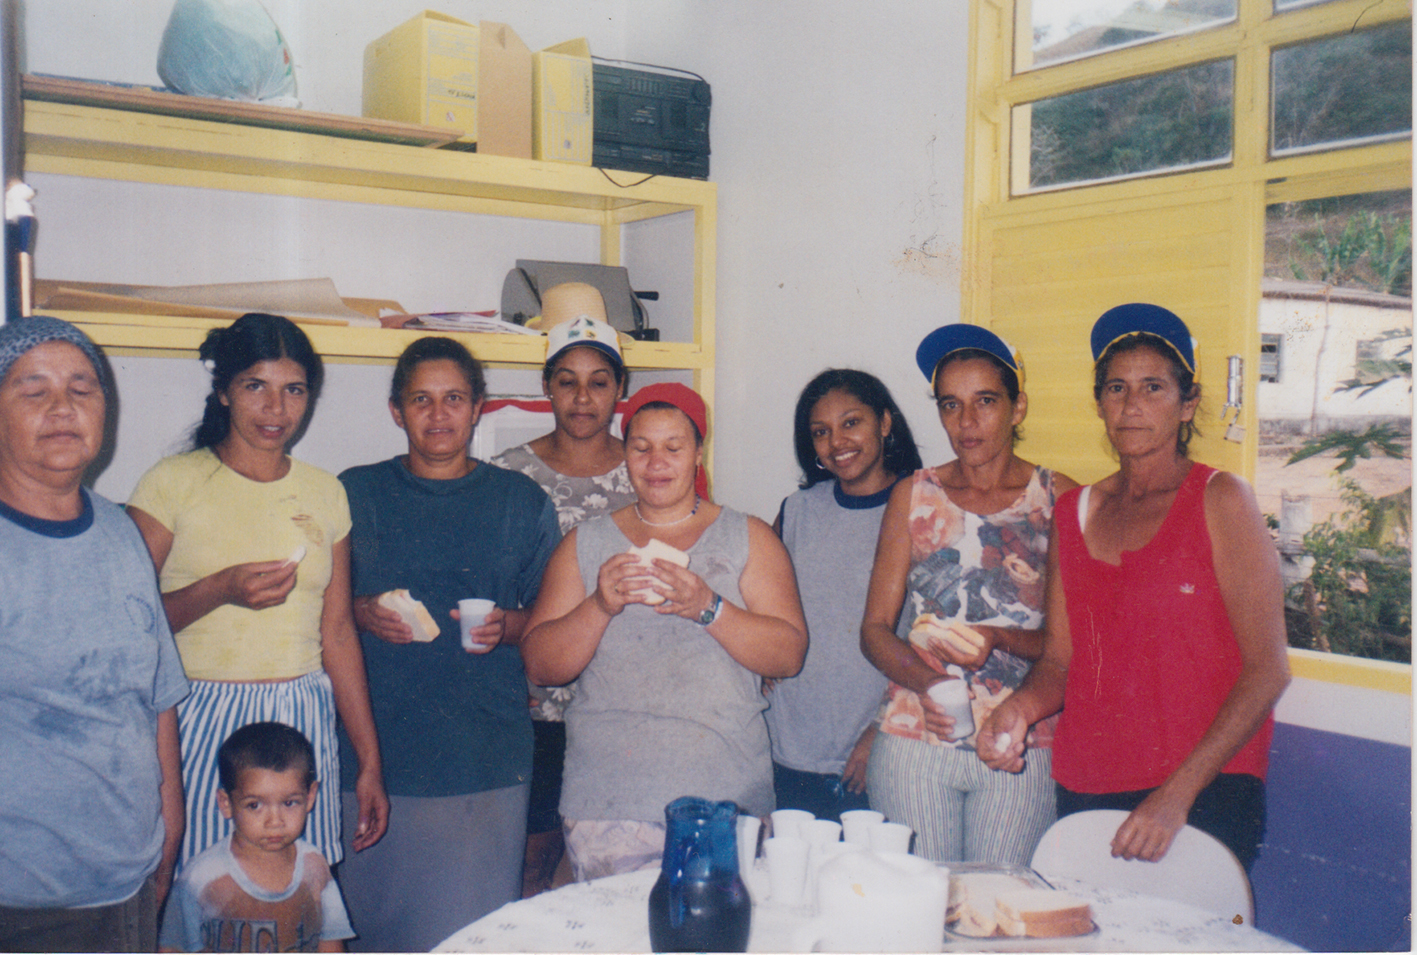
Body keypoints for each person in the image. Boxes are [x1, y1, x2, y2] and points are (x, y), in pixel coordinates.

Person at [978, 303, 1290, 872]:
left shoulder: (1221, 500)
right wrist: (1017, 709)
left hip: (1203, 793)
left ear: (1187, 403)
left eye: (1153, 387)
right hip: (1087, 784)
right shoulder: (1075, 510)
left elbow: (1267, 669)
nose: (1132, 405)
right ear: (1100, 404)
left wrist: (1175, 797)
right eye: (1116, 388)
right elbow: (1061, 662)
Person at [128, 313, 387, 873]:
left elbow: (339, 632)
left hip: (301, 718)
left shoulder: (324, 492)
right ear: (224, 391)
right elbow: (125, 621)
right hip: (195, 714)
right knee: (199, 884)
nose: (276, 409)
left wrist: (369, 761)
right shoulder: (172, 482)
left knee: (296, 886)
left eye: (294, 390)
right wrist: (219, 589)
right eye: (255, 387)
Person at [522, 382, 808, 881]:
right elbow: (542, 667)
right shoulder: (587, 543)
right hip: (609, 800)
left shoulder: (748, 536)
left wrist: (709, 608)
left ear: (698, 453)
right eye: (641, 447)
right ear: (625, 455)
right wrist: (599, 605)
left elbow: (789, 655)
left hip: (724, 793)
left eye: (673, 447)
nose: (656, 462)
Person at [336, 336, 561, 951]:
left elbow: (554, 622)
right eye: (422, 400)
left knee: (471, 937)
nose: (439, 415)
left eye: (455, 398)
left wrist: (508, 627)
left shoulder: (519, 502)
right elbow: (315, 613)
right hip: (373, 759)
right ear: (396, 410)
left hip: (483, 760)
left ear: (478, 406)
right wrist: (359, 610)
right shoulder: (356, 493)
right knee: (371, 932)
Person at [0, 316, 189, 951]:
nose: (62, 407)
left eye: (82, 389)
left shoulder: (120, 532)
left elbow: (156, 694)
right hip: (24, 903)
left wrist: (169, 823)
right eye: (34, 390)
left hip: (127, 882)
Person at [860, 325, 1078, 865]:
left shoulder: (1060, 498)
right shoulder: (914, 495)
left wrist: (996, 638)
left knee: (999, 904)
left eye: (985, 401)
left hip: (1018, 744)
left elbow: (1062, 648)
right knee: (918, 902)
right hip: (916, 735)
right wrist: (930, 684)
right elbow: (874, 631)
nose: (966, 421)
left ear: (1017, 407)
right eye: (950, 404)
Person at [490, 291, 637, 897]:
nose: (582, 398)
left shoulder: (647, 471)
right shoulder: (506, 473)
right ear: (546, 387)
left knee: (598, 870)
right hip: (532, 706)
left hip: (619, 703)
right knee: (529, 862)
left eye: (599, 383)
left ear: (619, 389)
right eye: (567, 382)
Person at [765, 368, 923, 822]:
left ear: (885, 423)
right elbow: (761, 605)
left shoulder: (923, 509)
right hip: (789, 746)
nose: (837, 442)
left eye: (851, 423)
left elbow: (934, 637)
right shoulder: (798, 510)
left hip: (876, 744)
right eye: (821, 432)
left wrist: (885, 727)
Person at [160, 722, 353, 952]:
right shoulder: (200, 879)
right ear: (226, 803)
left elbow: (331, 944)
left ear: (310, 797)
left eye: (289, 803)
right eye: (255, 805)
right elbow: (172, 948)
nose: (275, 821)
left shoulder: (314, 867)